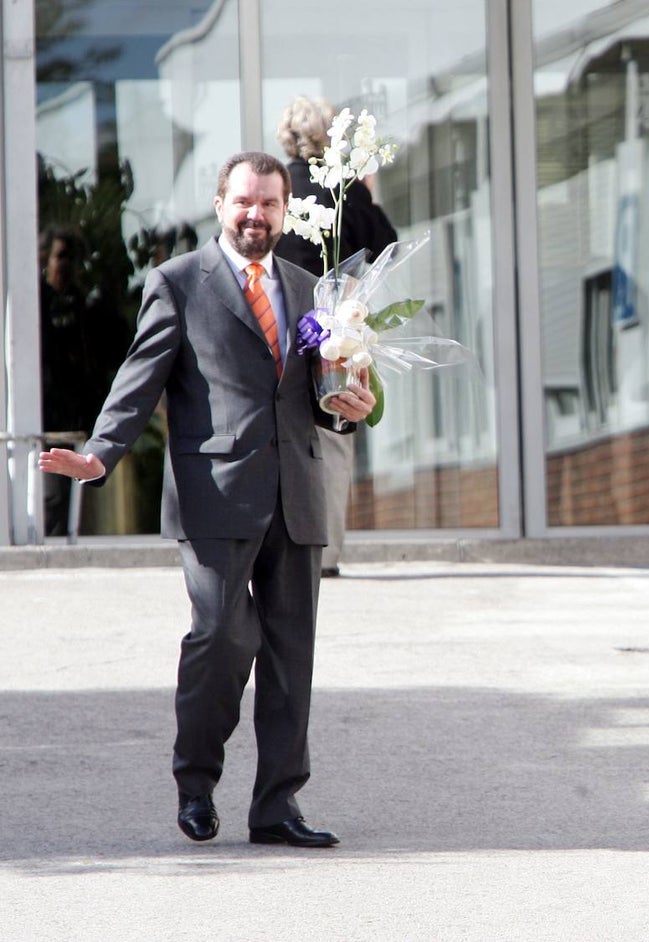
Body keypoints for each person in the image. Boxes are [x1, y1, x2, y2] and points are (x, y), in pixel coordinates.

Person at [39, 151, 376, 847]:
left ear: (285, 212)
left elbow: (322, 399)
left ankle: (277, 807)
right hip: (215, 493)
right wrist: (101, 455)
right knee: (222, 635)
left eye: (270, 204)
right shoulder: (178, 282)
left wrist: (352, 407)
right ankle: (196, 783)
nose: (257, 214)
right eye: (244, 202)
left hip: (298, 493)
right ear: (221, 204)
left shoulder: (311, 288)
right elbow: (140, 379)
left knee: (291, 655)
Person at [276, 95, 399, 577]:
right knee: (334, 430)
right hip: (335, 324)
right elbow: (386, 242)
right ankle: (324, 554)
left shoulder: (275, 190)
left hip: (281, 325)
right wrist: (366, 189)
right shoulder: (342, 190)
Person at [38, 226, 130, 535]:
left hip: (79, 417)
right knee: (49, 499)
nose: (66, 265)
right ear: (45, 260)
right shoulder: (35, 305)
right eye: (60, 257)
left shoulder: (85, 307)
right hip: (42, 420)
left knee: (75, 501)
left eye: (72, 258)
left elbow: (115, 349)